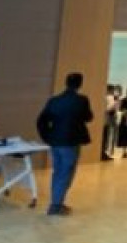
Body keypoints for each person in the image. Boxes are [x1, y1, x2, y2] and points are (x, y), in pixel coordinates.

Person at [36, 72, 94, 216]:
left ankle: (56, 202)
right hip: (71, 142)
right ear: (80, 84)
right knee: (66, 172)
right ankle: (56, 205)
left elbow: (41, 120)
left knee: (58, 172)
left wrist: (48, 137)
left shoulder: (54, 100)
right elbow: (88, 117)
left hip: (55, 141)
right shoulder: (81, 100)